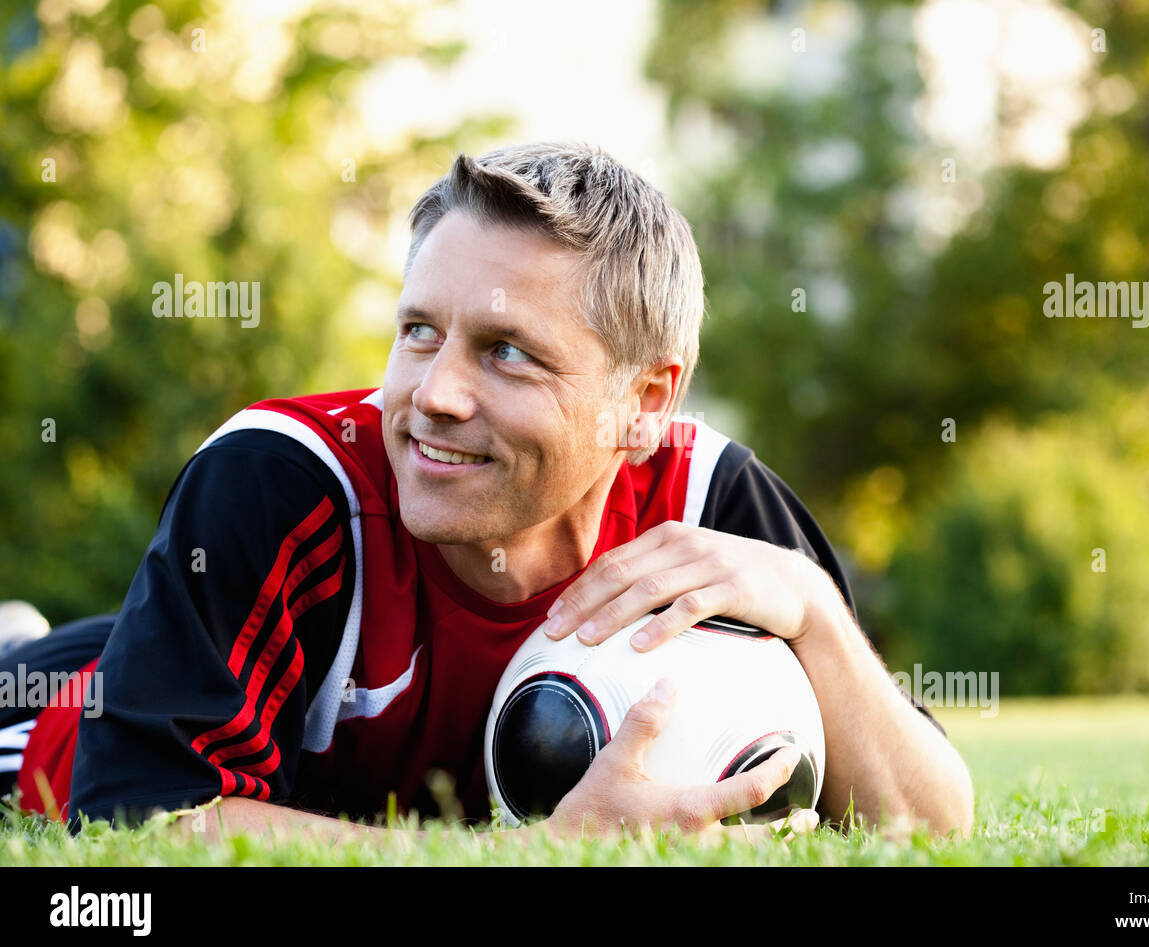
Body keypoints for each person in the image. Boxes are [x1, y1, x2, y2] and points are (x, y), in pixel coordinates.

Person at [0, 143, 974, 845]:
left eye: (506, 351)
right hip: (60, 712)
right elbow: (143, 815)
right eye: (419, 330)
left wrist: (811, 607)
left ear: (643, 401)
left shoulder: (709, 502)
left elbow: (931, 821)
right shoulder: (280, 478)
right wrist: (532, 852)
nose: (434, 395)